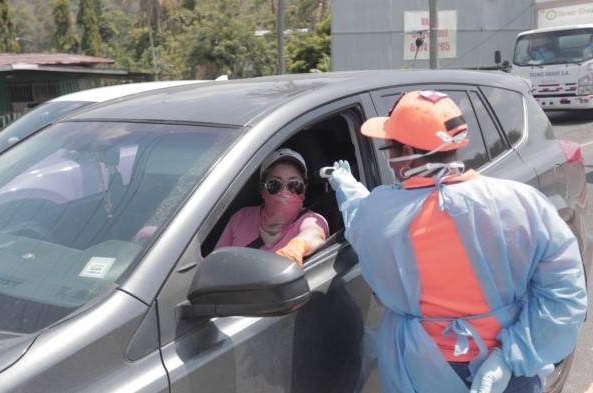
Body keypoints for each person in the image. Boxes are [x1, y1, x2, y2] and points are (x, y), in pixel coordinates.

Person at [326, 90, 587, 393]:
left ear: (407, 152)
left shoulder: (379, 214)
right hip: (511, 372)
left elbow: (361, 222)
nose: (391, 161)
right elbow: (565, 293)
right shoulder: (522, 203)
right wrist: (512, 358)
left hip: (423, 371)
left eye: (389, 149)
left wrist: (348, 189)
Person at [215, 148, 328, 266]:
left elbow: (314, 234)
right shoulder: (241, 217)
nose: (285, 191)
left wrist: (296, 248)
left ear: (304, 190)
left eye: (294, 185)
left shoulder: (310, 219)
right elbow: (215, 264)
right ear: (262, 189)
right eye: (275, 184)